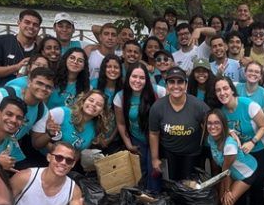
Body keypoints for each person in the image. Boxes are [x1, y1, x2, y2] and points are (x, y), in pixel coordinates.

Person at [216, 77, 264, 205]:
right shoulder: (222, 112)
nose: (222, 92)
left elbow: (263, 126)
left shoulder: (248, 105)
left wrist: (252, 142)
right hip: (239, 153)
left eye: (225, 88)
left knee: (258, 183)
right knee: (239, 179)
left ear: (232, 89)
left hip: (257, 148)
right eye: (218, 90)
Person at [0, 67, 54, 166]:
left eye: (48, 87)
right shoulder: (2, 94)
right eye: (39, 83)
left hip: (6, 151)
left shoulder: (42, 111)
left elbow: (36, 144)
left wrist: (49, 134)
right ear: (29, 82)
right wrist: (4, 120)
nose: (43, 89)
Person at [205, 109, 259, 205]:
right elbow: (219, 164)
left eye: (217, 123)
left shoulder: (229, 145)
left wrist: (227, 190)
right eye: (209, 123)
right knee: (220, 198)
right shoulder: (210, 138)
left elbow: (226, 170)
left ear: (223, 124)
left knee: (227, 203)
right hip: (229, 172)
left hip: (246, 172)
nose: (213, 126)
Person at [149, 66, 210, 181]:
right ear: (166, 85)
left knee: (189, 188)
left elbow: (212, 123)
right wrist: (155, 159)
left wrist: (229, 131)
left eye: (180, 82)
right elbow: (153, 133)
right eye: (171, 82)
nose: (176, 86)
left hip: (192, 154)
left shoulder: (198, 106)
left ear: (186, 85)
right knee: (172, 187)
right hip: (169, 154)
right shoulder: (158, 107)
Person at [115, 62, 162, 192]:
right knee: (141, 172)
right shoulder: (121, 96)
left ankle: (155, 201)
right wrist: (129, 145)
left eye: (142, 78)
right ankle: (143, 200)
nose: (137, 81)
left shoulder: (158, 91)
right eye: (134, 76)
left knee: (155, 172)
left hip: (156, 139)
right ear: (128, 77)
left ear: (146, 79)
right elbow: (121, 123)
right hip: (137, 139)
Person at [32, 90, 110, 153]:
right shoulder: (62, 113)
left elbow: (78, 152)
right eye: (91, 100)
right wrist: (58, 152)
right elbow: (36, 135)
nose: (93, 104)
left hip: (63, 165)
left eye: (99, 104)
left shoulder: (95, 128)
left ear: (102, 111)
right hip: (38, 156)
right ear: (83, 101)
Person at [0, 9, 41, 87]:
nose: (31, 27)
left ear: (39, 28)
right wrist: (17, 67)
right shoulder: (2, 41)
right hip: (4, 92)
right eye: (27, 22)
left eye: (35, 25)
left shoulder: (40, 49)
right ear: (18, 23)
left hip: (29, 95)